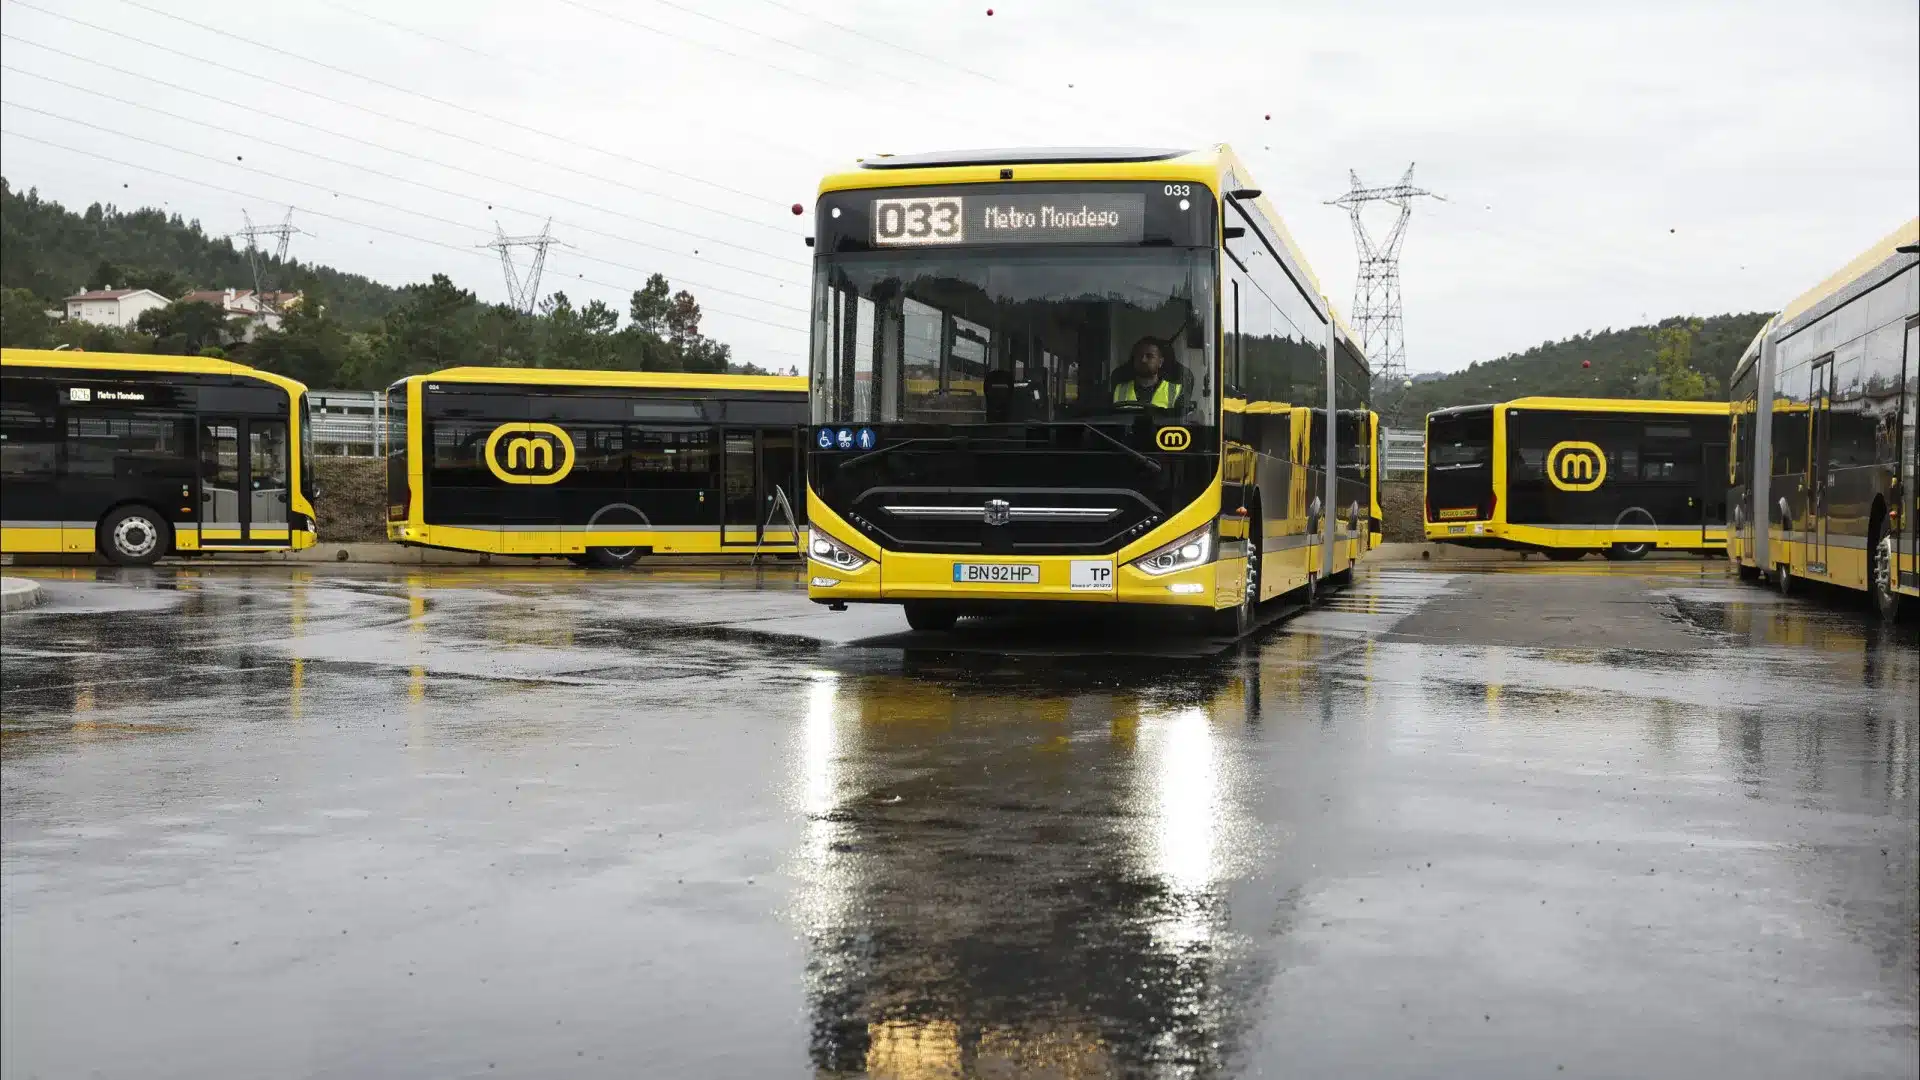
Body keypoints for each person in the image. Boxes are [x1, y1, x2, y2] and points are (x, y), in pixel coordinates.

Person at [1111, 336, 1184, 408]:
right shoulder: (1119, 389)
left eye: (1149, 356)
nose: (1143, 360)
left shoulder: (1175, 392)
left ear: (1160, 362)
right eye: (1139, 356)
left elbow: (1179, 418)